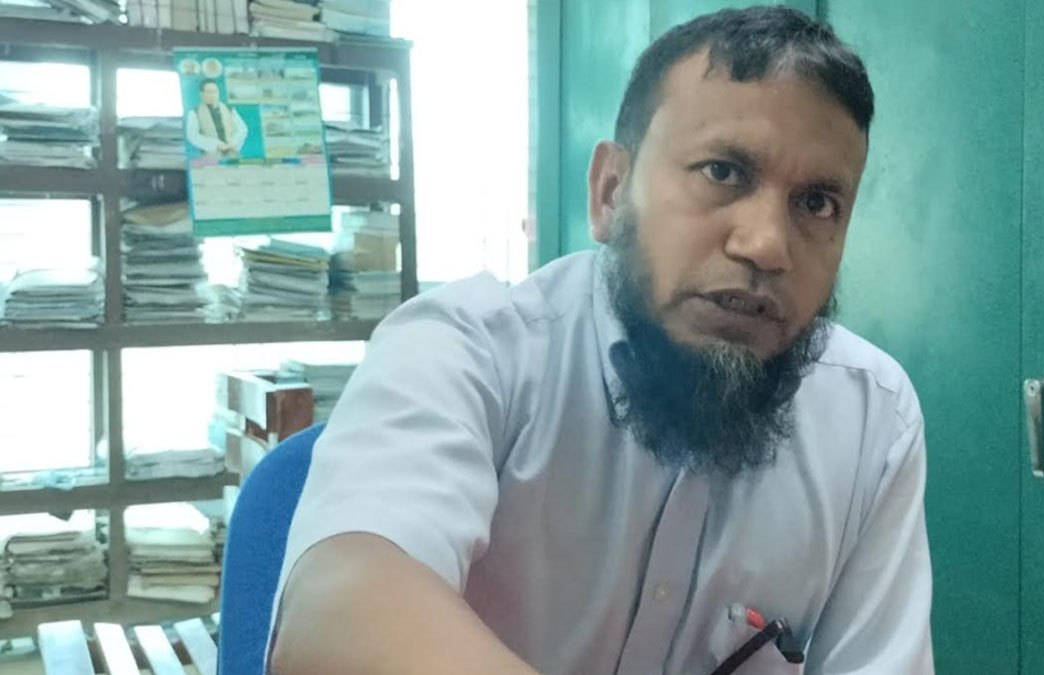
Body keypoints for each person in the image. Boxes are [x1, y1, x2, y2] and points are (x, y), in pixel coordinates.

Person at [270, 6, 933, 674]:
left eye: (817, 204)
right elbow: (336, 617)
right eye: (722, 172)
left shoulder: (871, 419)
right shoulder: (469, 350)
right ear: (611, 192)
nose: (766, 245)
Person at [185, 79, 247, 158]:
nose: (213, 95)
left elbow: (242, 129)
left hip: (231, 152)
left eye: (215, 91)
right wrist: (215, 144)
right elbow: (192, 135)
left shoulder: (229, 109)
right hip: (210, 156)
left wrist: (233, 142)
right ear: (201, 94)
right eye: (209, 92)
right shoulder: (194, 113)